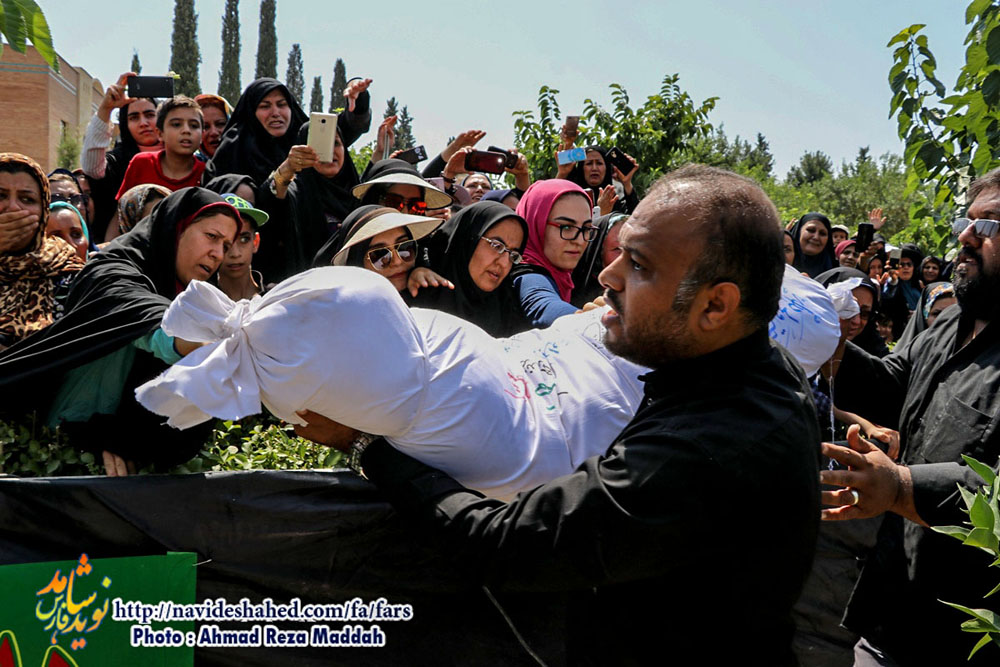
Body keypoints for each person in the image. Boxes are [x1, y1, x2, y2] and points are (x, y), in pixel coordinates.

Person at [291, 164, 821, 664]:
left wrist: (366, 445)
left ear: (715, 306)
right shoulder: (753, 367)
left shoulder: (704, 451)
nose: (608, 276)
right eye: (618, 252)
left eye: (639, 265)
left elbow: (500, 544)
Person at [821, 168, 1000, 665]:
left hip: (964, 633)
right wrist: (826, 340)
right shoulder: (952, 320)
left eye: (988, 224)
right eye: (966, 221)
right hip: (891, 606)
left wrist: (901, 487)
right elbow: (893, 383)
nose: (966, 236)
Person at [0, 188, 241, 474]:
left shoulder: (193, 297)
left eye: (226, 245)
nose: (217, 253)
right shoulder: (109, 270)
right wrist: (201, 343)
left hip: (129, 468)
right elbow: (144, 322)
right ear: (176, 229)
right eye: (211, 236)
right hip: (58, 454)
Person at [0, 153, 85, 350]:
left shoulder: (70, 273)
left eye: (27, 199)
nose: (13, 207)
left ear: (44, 211)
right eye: (1, 196)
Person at [410, 201, 527, 337]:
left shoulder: (510, 310)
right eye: (496, 246)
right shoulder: (420, 295)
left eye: (513, 255)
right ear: (467, 240)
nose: (504, 263)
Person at [81, 72, 162, 241]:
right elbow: (91, 168)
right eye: (134, 117)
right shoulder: (117, 162)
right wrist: (106, 109)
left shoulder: (182, 157)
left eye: (149, 115)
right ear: (125, 124)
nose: (143, 123)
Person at [509, 179, 595, 330]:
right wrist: (592, 321)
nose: (580, 240)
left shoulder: (562, 274)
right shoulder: (527, 274)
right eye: (566, 227)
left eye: (587, 229)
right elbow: (542, 303)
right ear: (535, 223)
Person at [318, 205, 447, 295]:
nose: (397, 261)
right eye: (379, 255)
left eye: (404, 248)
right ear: (356, 261)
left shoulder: (433, 293)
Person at [116, 96, 207, 199]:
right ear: (159, 133)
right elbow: (122, 206)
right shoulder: (141, 163)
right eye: (177, 124)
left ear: (202, 135)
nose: (186, 130)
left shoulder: (206, 174)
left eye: (194, 126)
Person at [215, 194, 269, 301]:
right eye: (225, 243)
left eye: (244, 239)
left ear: (255, 242)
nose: (235, 253)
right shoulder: (198, 305)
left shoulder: (278, 300)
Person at [893, 281, 956, 349]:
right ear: (924, 317)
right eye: (937, 314)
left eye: (954, 313)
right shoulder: (907, 353)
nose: (946, 319)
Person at [790, 212, 836, 278]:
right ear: (798, 232)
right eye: (811, 230)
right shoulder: (778, 264)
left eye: (822, 234)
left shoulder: (836, 273)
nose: (816, 237)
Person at [194, 93, 231, 159]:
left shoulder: (248, 160)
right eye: (205, 127)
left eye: (220, 124)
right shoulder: (187, 164)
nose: (214, 133)